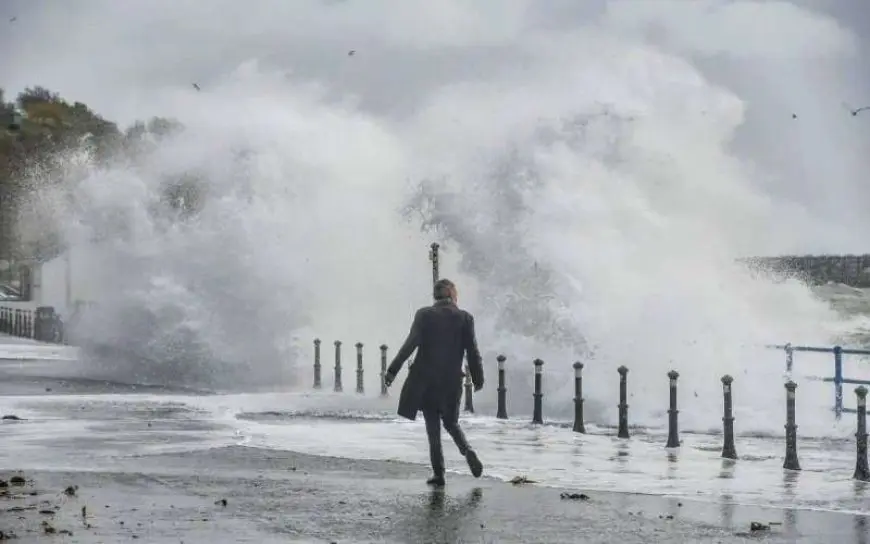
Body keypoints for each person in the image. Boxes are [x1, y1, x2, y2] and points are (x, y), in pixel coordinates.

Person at [383, 278, 484, 486]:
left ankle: (439, 474)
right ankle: (468, 450)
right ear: (452, 294)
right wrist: (478, 376)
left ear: (436, 296)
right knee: (451, 422)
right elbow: (472, 351)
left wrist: (392, 370)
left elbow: (409, 345)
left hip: (427, 382)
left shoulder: (424, 315)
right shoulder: (465, 318)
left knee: (433, 428)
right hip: (452, 381)